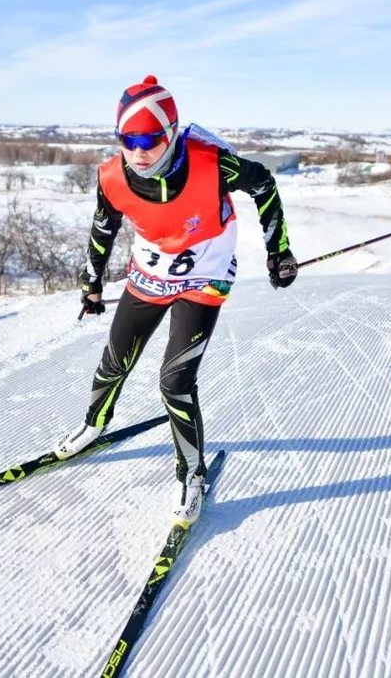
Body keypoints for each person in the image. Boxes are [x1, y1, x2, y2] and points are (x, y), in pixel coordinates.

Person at [54, 74, 298, 526]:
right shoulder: (112, 177)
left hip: (204, 273)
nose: (139, 149)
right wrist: (91, 283)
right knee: (115, 360)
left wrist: (278, 250)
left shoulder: (212, 163)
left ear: (170, 133)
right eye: (128, 138)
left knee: (174, 381)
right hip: (151, 271)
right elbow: (103, 227)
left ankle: (191, 474)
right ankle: (95, 424)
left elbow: (263, 184)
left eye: (150, 138)